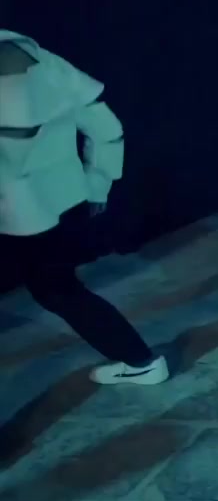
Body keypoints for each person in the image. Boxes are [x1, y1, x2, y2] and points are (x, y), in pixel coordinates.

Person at [0, 30, 167, 385]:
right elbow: (106, 127)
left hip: (24, 212)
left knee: (57, 291)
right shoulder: (43, 60)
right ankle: (140, 360)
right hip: (66, 197)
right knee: (58, 289)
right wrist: (97, 184)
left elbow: (12, 156)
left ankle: (141, 360)